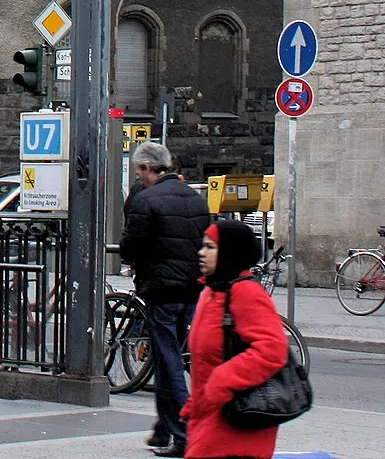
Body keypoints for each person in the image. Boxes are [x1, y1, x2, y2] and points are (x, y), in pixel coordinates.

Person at [120, 140, 211, 456]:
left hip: (161, 288)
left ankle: (184, 433)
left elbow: (131, 246)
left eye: (139, 170)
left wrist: (139, 264)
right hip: (194, 288)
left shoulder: (146, 200)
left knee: (168, 359)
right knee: (175, 356)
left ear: (146, 169)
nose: (139, 176)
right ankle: (163, 430)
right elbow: (207, 241)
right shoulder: (195, 198)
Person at [181, 218, 289, 459]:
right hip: (212, 414)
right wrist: (197, 403)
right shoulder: (213, 291)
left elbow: (272, 350)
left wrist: (221, 381)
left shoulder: (245, 292)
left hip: (237, 419)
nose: (201, 253)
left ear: (229, 252)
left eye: (210, 247)